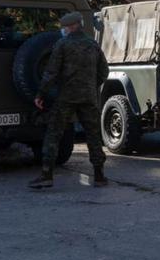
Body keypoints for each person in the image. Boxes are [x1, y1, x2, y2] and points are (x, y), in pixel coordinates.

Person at [29, 12, 110, 189]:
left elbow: (51, 72)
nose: (62, 30)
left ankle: (47, 175)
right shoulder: (92, 44)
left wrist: (41, 94)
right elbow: (104, 71)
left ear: (71, 27)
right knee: (93, 136)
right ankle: (99, 176)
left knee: (54, 134)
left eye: (64, 27)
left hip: (66, 97)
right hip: (88, 97)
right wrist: (91, 85)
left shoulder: (62, 44)